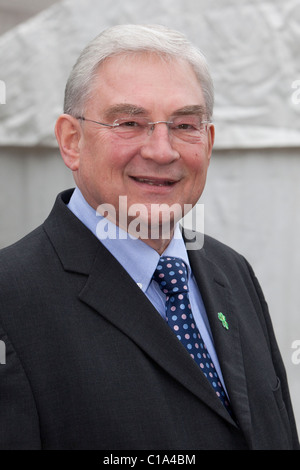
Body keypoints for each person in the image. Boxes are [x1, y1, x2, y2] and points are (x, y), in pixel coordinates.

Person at [0, 24, 298, 451]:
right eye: (129, 122)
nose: (162, 151)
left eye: (184, 125)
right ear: (72, 141)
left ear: (208, 142)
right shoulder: (10, 301)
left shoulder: (230, 271)